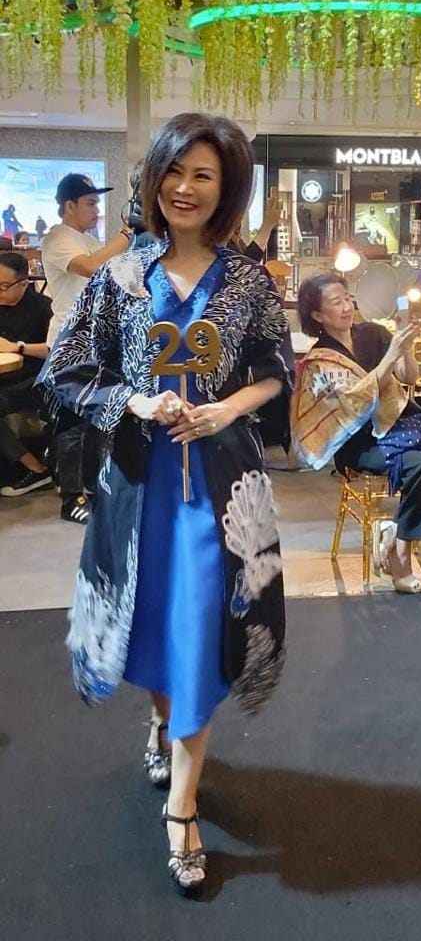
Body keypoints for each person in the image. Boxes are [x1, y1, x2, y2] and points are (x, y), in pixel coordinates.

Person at [37, 111, 290, 893]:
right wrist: (135, 402)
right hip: (138, 489)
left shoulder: (247, 280)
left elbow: (276, 368)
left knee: (200, 631)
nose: (185, 188)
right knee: (150, 629)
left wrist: (225, 409)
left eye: (203, 175)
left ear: (225, 188)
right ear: (153, 180)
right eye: (174, 172)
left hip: (220, 492)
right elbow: (67, 370)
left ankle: (182, 806)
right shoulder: (118, 276)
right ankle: (160, 720)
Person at [291, 274, 421, 592]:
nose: (346, 307)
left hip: (402, 426)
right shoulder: (319, 361)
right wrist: (390, 355)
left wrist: (404, 347)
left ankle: (396, 535)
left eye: (347, 298)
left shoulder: (373, 333)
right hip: (360, 440)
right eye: (336, 302)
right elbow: (354, 404)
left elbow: (408, 377)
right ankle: (401, 558)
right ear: (317, 315)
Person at [41, 173, 132, 523]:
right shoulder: (57, 238)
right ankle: (70, 498)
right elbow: (92, 267)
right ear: (69, 205)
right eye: (91, 203)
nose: (96, 210)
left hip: (95, 341)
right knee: (72, 424)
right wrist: (126, 234)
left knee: (95, 420)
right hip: (69, 343)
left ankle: (92, 487)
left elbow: (114, 271)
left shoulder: (86, 239)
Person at [0, 251, 53, 496]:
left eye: (3, 286)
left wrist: (17, 347)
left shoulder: (43, 308)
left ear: (23, 283)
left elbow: (55, 350)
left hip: (31, 378)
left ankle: (36, 468)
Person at [229, 188, 281, 261]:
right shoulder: (223, 240)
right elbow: (246, 264)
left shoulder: (235, 239)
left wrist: (270, 227)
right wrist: (267, 225)